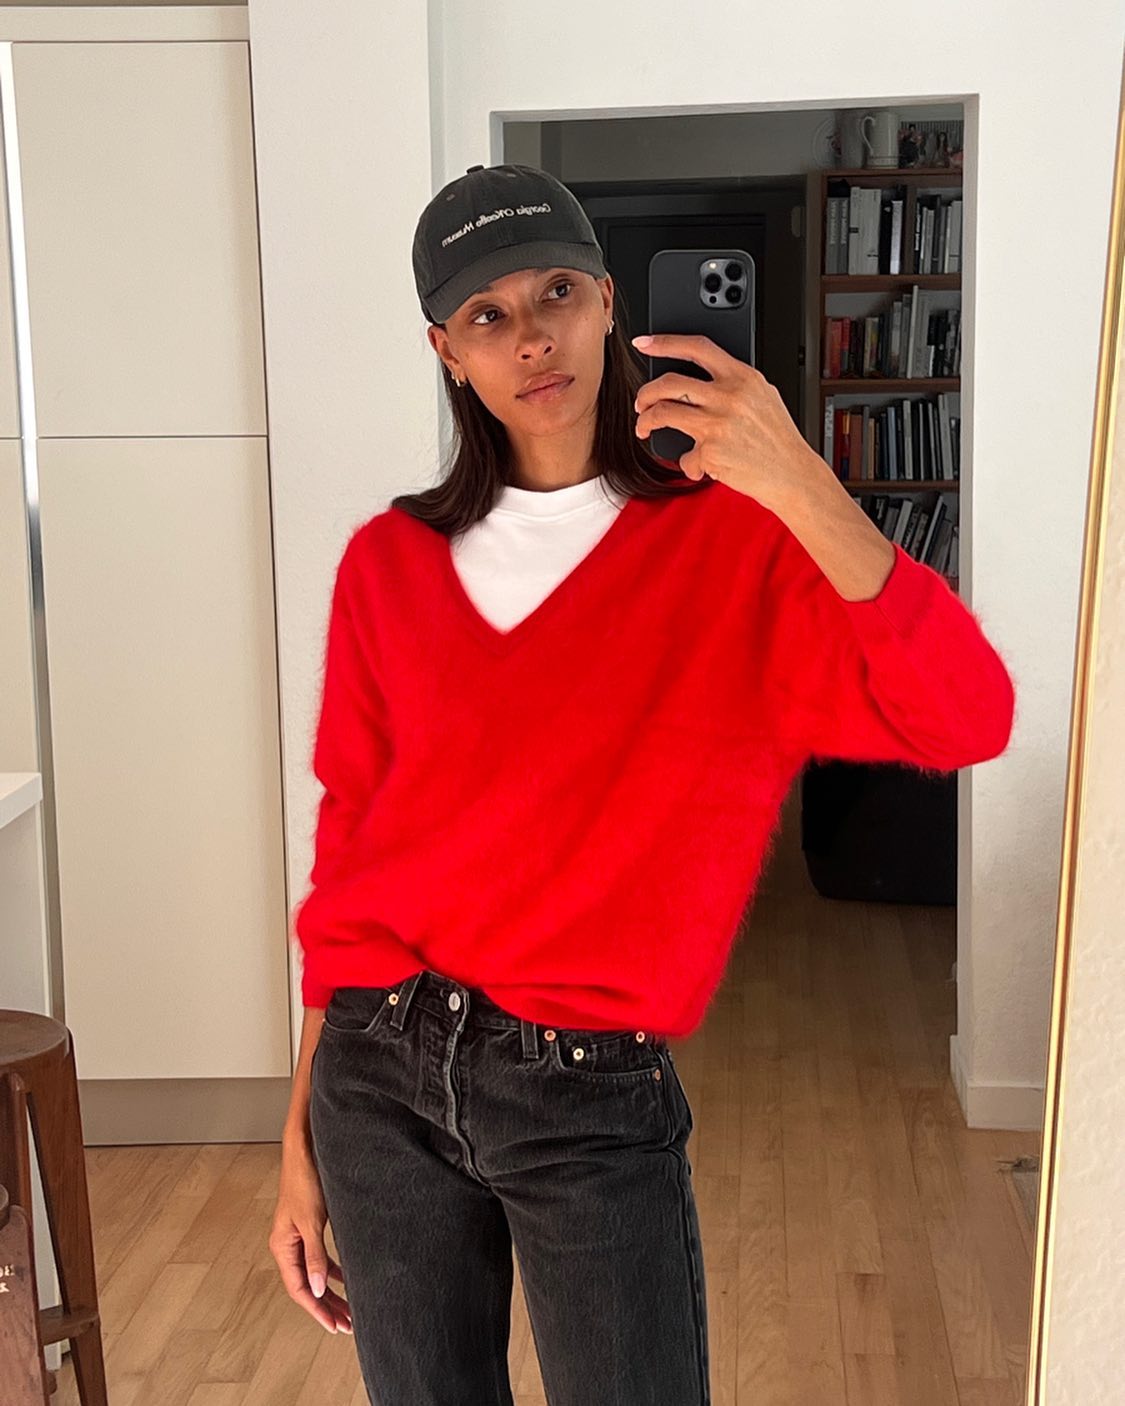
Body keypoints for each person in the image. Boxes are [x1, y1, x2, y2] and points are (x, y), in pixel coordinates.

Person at [269, 163, 1017, 1406]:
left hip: (586, 1090)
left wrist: (801, 479)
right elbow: (347, 854)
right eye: (486, 315)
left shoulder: (732, 542)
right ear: (447, 351)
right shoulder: (389, 564)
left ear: (609, 301)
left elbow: (966, 714)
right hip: (376, 1073)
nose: (532, 337)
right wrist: (295, 1136)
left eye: (556, 290)